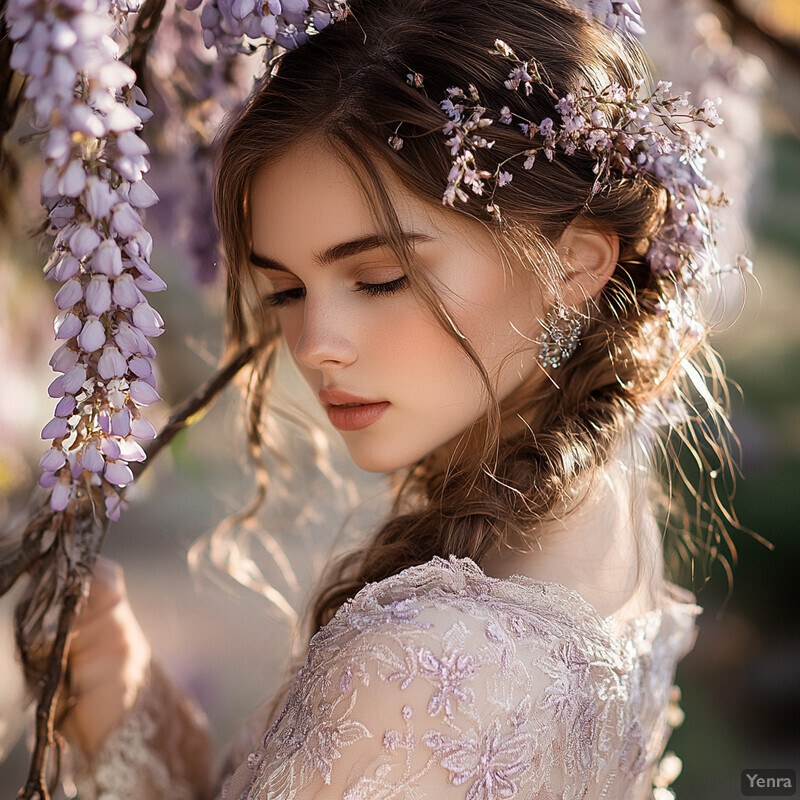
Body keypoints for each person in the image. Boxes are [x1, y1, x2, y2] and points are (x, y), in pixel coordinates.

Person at [58, 0, 738, 797]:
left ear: (574, 267)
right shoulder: (598, 493)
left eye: (379, 279)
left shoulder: (422, 673)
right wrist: (131, 710)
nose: (315, 345)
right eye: (285, 290)